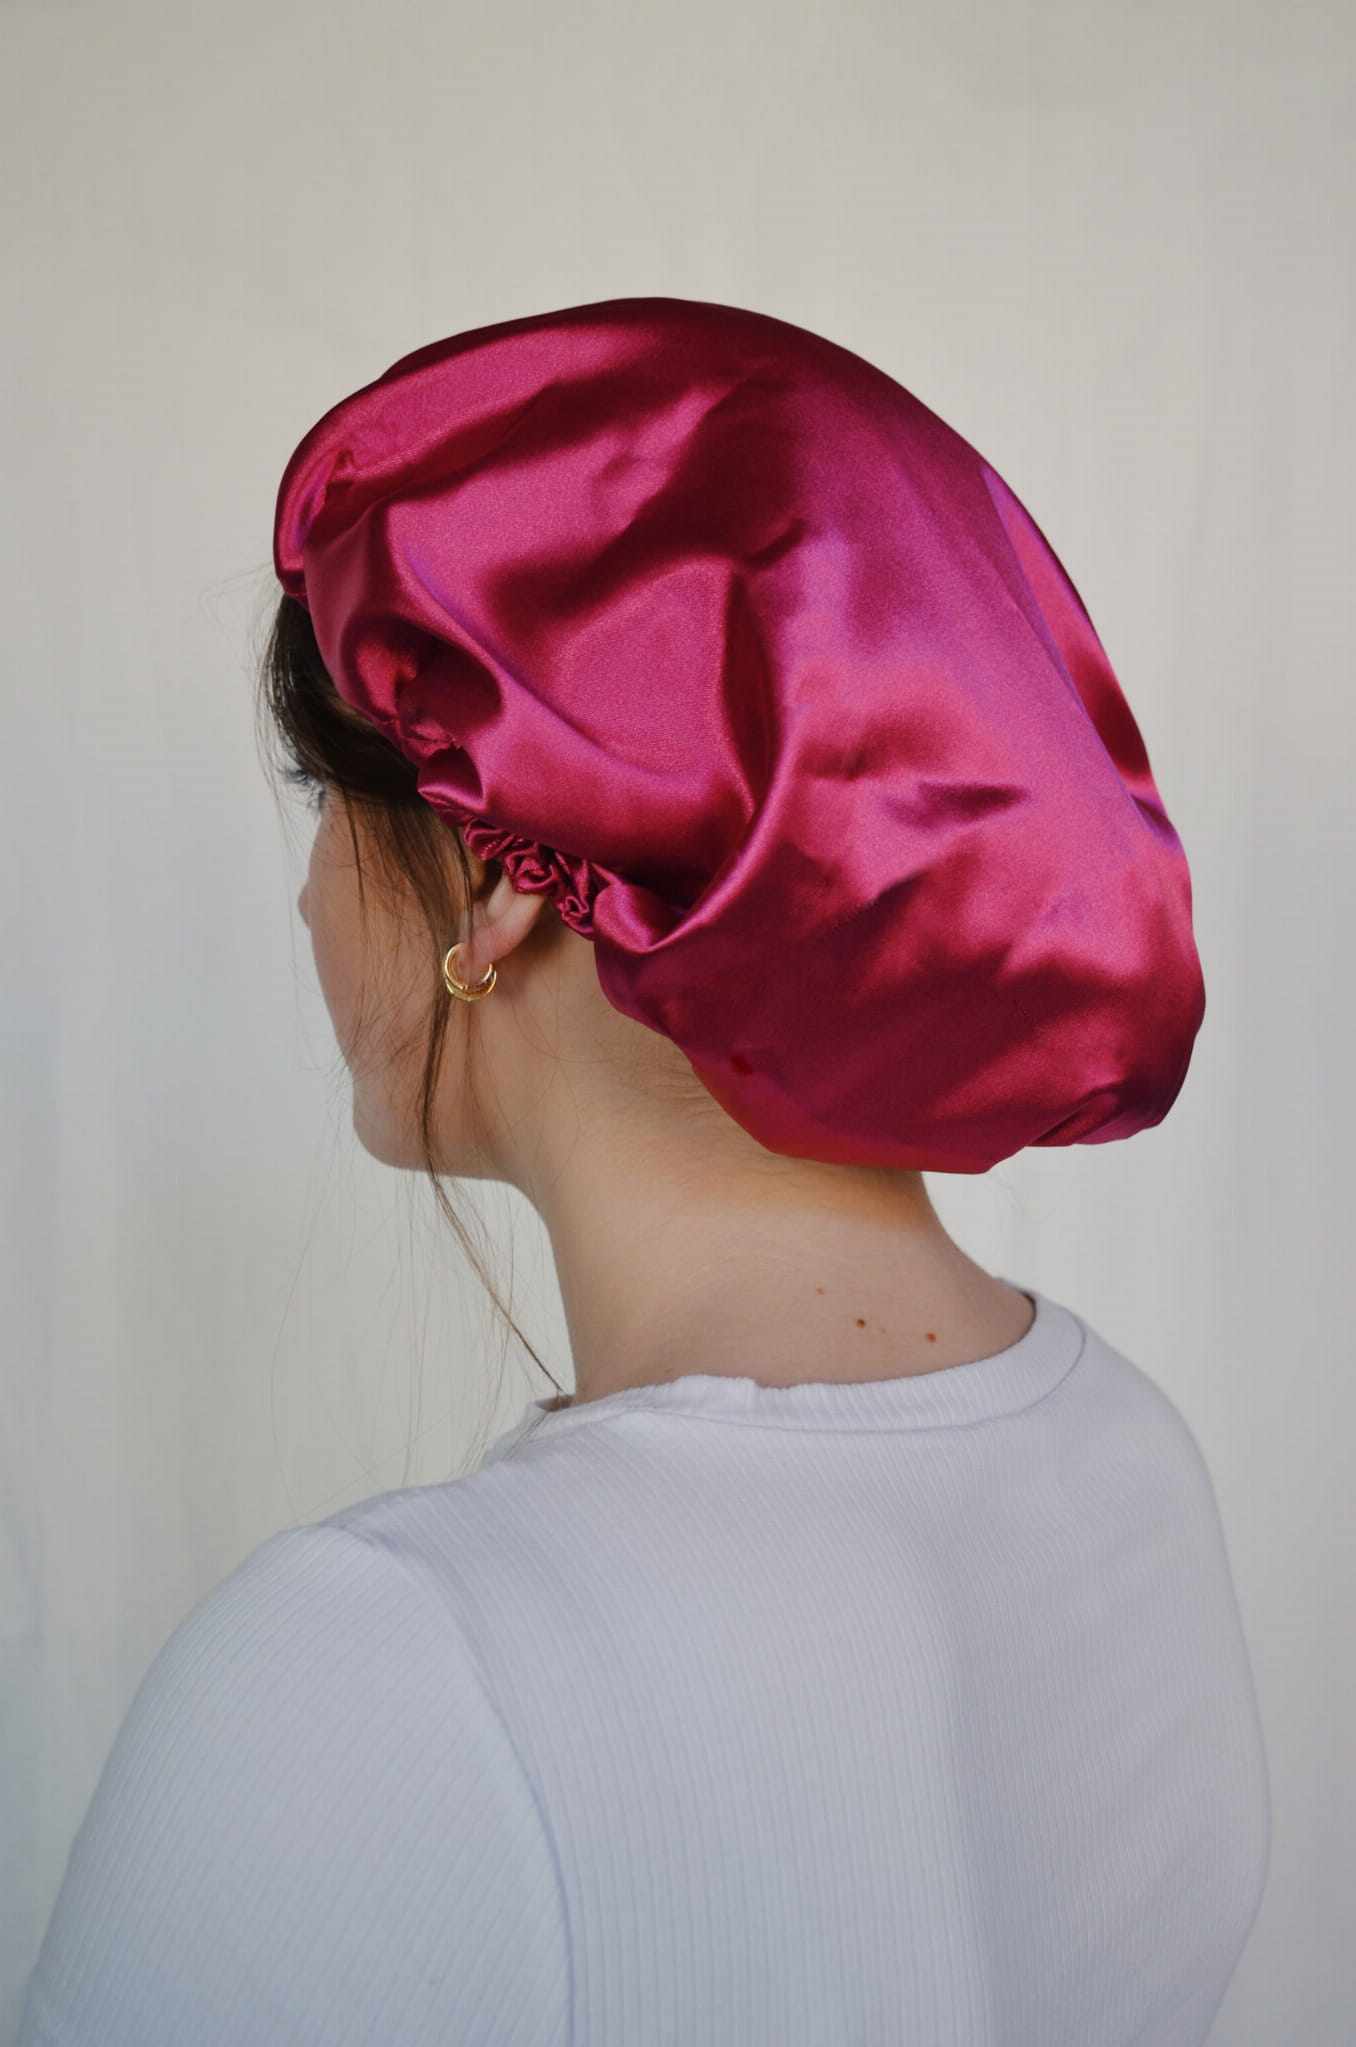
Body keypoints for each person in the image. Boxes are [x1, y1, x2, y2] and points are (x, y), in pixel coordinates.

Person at [18, 298, 1270, 2046]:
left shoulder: (380, 1675)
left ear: (499, 879)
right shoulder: (1129, 1455)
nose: (304, 898)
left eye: (326, 804)